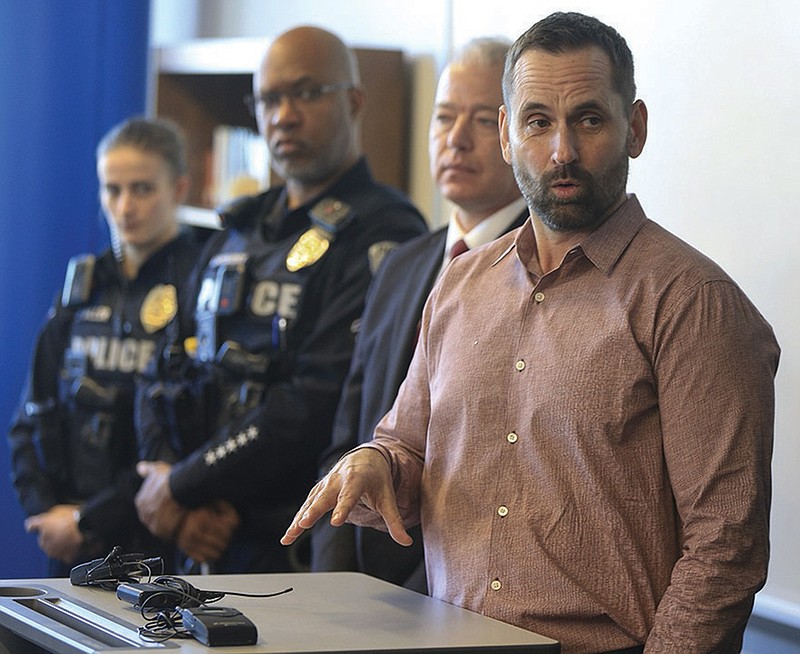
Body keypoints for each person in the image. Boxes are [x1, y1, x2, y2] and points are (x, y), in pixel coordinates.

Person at [282, 12, 780, 653]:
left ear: (636, 128)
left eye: (590, 120)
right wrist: (378, 462)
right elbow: (404, 445)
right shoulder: (459, 286)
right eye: (538, 121)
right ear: (507, 135)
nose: (562, 150)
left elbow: (725, 550)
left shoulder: (695, 304)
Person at [133, 25, 427, 574]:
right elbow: (165, 362)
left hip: (293, 543)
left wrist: (182, 484)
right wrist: (169, 487)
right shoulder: (239, 227)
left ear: (355, 101)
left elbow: (315, 403)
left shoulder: (384, 231)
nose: (283, 115)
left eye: (307, 92)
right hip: (196, 537)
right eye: (268, 98)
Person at [311, 37, 527, 593]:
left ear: (515, 131)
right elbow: (350, 429)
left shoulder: (543, 267)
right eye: (443, 117)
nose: (456, 139)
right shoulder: (405, 263)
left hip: (461, 587)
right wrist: (335, 578)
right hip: (358, 581)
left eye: (482, 120)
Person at [8, 117, 202, 575]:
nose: (124, 207)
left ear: (178, 189)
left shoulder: (200, 281)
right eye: (111, 190)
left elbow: (190, 437)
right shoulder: (84, 284)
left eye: (142, 189)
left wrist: (86, 519)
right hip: (68, 537)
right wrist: (49, 515)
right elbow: (31, 412)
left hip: (156, 537)